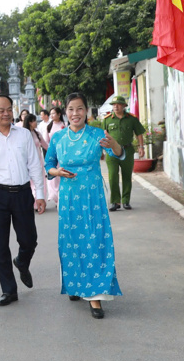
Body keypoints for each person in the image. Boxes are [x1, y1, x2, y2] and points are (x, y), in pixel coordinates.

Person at [45, 93, 124, 319]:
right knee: (71, 243)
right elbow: (48, 164)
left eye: (80, 109)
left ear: (86, 111)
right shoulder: (58, 138)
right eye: (71, 109)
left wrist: (115, 144)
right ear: (65, 112)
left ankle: (95, 296)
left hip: (93, 198)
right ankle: (75, 284)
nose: (75, 113)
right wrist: (56, 172)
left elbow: (118, 154)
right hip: (69, 199)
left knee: (94, 242)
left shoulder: (97, 135)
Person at [0, 95, 46, 307]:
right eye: (1, 110)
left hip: (23, 193)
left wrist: (41, 195)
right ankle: (8, 290)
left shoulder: (24, 135)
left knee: (29, 239)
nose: (6, 113)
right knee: (0, 244)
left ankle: (22, 261)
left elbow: (35, 164)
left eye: (9, 109)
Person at [102, 94, 147, 211]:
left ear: (123, 106)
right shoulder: (107, 120)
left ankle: (126, 200)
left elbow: (139, 133)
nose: (115, 107)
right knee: (112, 176)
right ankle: (115, 201)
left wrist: (141, 147)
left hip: (127, 150)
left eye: (118, 105)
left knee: (127, 176)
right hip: (111, 152)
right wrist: (101, 151)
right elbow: (102, 136)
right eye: (113, 105)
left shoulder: (132, 119)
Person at [23, 115, 49, 204]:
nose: (36, 123)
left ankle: (39, 201)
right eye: (34, 121)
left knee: (40, 181)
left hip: (39, 162)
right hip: (26, 162)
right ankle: (31, 201)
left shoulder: (37, 133)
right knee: (30, 183)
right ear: (30, 122)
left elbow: (45, 145)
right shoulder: (24, 134)